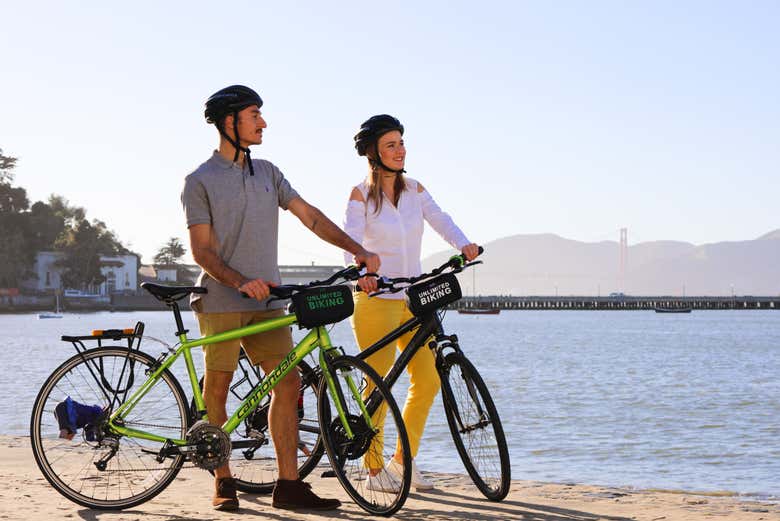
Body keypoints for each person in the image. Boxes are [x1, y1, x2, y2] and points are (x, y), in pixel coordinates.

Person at [181, 85, 380, 511]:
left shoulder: (269, 173)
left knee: (287, 384)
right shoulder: (199, 180)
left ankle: (288, 484)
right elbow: (202, 251)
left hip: (268, 301)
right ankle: (223, 479)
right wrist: (239, 281)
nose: (263, 123)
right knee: (218, 387)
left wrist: (357, 250)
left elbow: (311, 217)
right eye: (254, 115)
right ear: (229, 121)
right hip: (222, 300)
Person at [342, 115, 479, 492]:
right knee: (378, 385)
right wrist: (361, 272)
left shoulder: (415, 189)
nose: (400, 150)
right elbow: (351, 242)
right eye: (391, 144)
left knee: (429, 378)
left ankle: (403, 461)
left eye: (401, 142)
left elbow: (440, 219)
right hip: (375, 299)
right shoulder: (360, 195)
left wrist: (464, 244)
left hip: (413, 297)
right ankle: (374, 472)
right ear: (373, 153)